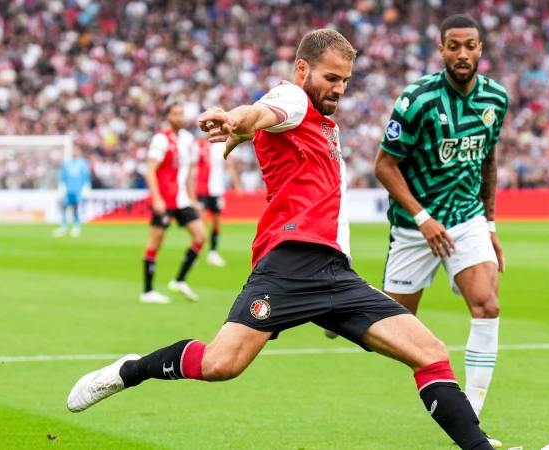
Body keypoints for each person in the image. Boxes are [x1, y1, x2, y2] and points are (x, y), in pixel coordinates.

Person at [66, 29, 515, 450]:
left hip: (336, 273)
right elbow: (265, 111)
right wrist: (239, 119)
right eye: (330, 77)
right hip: (290, 265)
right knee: (220, 365)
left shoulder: (323, 123)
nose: (339, 87)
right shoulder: (294, 98)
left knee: (431, 353)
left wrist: (248, 129)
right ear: (303, 70)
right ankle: (128, 371)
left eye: (345, 79)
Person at [363, 14, 510, 447]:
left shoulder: (496, 99)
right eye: (454, 46)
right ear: (441, 50)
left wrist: (490, 222)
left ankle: (473, 421)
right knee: (389, 328)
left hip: (466, 219)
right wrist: (423, 218)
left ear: (481, 48)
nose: (462, 54)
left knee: (487, 305)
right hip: (414, 227)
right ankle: (345, 308)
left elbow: (488, 161)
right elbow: (384, 165)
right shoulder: (418, 100)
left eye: (470, 45)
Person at [139, 104, 208, 304]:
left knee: (200, 235)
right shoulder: (161, 139)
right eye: (175, 113)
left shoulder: (188, 139)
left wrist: (193, 200)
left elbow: (188, 174)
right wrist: (157, 199)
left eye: (181, 113)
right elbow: (150, 170)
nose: (179, 117)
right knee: (155, 242)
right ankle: (148, 290)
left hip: (182, 200)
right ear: (168, 116)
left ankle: (179, 280)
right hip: (165, 200)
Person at [194, 136, 243, 267]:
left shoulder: (221, 146)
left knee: (216, 222)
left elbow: (229, 166)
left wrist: (236, 183)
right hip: (202, 190)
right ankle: (195, 253)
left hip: (216, 190)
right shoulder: (199, 146)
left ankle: (213, 253)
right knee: (200, 222)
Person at [52, 145, 91, 238]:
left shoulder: (83, 163)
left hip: (77, 190)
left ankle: (77, 226)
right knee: (64, 207)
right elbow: (62, 177)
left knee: (75, 208)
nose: (75, 152)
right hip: (68, 190)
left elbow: (86, 177)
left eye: (76, 151)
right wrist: (61, 187)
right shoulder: (66, 163)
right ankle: (63, 226)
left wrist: (86, 187)